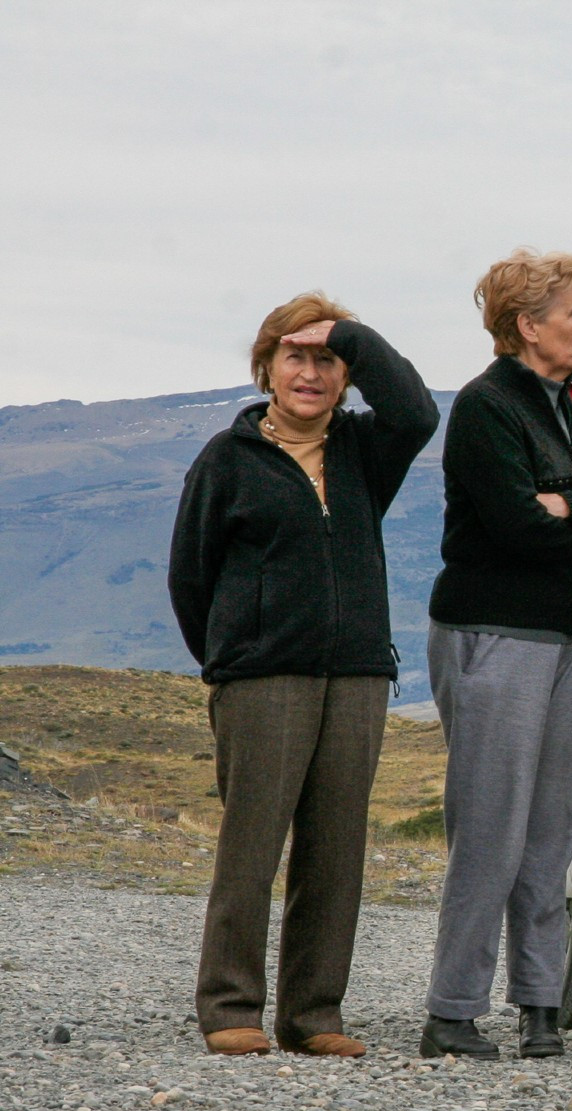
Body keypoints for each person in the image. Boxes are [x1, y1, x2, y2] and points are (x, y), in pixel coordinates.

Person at [169, 295, 439, 1057]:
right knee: (251, 845)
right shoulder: (227, 459)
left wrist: (350, 333)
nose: (311, 373)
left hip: (355, 674)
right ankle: (230, 1004)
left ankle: (314, 1013)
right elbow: (191, 576)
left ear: (346, 374)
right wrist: (232, 657)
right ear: (267, 368)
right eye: (296, 356)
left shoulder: (364, 451)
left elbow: (417, 410)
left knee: (336, 850)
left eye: (327, 360)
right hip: (262, 677)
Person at [421, 249, 572, 1060]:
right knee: (491, 825)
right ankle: (451, 1010)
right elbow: (519, 525)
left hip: (567, 637)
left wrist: (570, 503)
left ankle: (540, 1005)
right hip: (494, 634)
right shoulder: (484, 409)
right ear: (528, 326)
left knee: (556, 823)